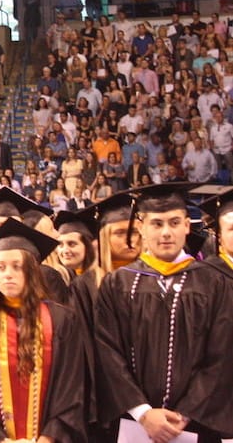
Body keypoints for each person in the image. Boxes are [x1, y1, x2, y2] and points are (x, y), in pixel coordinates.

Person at [94, 183, 233, 440]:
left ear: (187, 226)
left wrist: (184, 414)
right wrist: (144, 413)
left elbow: (221, 355)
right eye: (157, 224)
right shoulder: (118, 284)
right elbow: (108, 353)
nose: (166, 232)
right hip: (133, 424)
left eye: (174, 222)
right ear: (142, 228)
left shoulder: (214, 283)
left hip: (197, 422)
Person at [0, 219, 90, 443]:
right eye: (1, 266)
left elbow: (71, 387)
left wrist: (49, 437)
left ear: (34, 271)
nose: (7, 274)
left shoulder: (63, 320)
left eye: (17, 266)